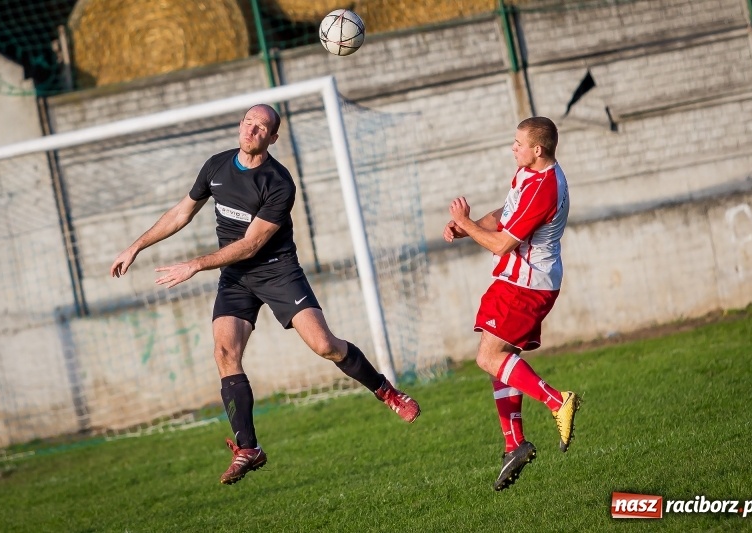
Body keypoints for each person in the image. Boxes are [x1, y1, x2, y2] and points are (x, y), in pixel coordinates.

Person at [110, 104, 420, 485]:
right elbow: (181, 213)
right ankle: (248, 448)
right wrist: (136, 246)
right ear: (240, 125)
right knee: (224, 352)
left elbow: (252, 244)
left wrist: (195, 264)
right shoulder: (216, 166)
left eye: (263, 127)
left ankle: (386, 391)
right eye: (249, 123)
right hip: (236, 277)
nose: (253, 130)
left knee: (325, 346)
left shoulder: (279, 183)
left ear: (273, 138)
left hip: (276, 270)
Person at [443, 116, 580, 491]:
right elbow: (505, 215)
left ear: (538, 150)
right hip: (519, 280)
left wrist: (465, 222)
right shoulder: (528, 175)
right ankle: (514, 444)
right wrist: (465, 225)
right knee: (499, 362)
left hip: (526, 283)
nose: (513, 147)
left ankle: (557, 400)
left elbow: (503, 242)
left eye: (518, 143)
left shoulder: (546, 188)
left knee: (488, 357)